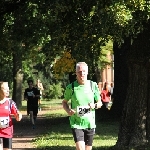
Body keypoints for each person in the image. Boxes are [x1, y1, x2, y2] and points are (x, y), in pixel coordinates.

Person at [62, 62, 103, 150]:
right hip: (76, 123)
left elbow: (100, 103)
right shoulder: (71, 87)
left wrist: (94, 105)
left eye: (84, 71)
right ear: (76, 73)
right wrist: (68, 111)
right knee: (80, 148)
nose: (82, 74)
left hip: (89, 123)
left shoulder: (93, 85)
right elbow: (64, 102)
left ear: (87, 72)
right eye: (79, 71)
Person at [0, 81, 22, 150]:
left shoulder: (10, 102)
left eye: (8, 88)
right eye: (5, 89)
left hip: (7, 132)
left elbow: (18, 117)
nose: (7, 90)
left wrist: (19, 115)